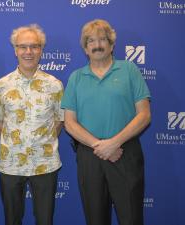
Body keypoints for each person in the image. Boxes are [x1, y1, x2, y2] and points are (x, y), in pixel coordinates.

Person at [61, 19, 151, 225]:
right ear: (85, 48)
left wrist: (114, 143)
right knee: (95, 219)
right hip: (90, 156)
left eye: (103, 39)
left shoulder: (129, 70)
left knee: (131, 218)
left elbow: (144, 115)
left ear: (112, 44)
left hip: (125, 153)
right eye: (91, 41)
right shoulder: (76, 78)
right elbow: (70, 123)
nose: (97, 44)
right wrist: (99, 145)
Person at [0, 24, 64, 225]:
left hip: (45, 164)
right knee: (12, 220)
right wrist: (16, 143)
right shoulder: (1, 85)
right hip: (11, 164)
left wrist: (41, 141)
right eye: (23, 46)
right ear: (15, 50)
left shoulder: (55, 85)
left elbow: (60, 120)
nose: (28, 52)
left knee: (45, 220)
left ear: (41, 50)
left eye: (34, 46)